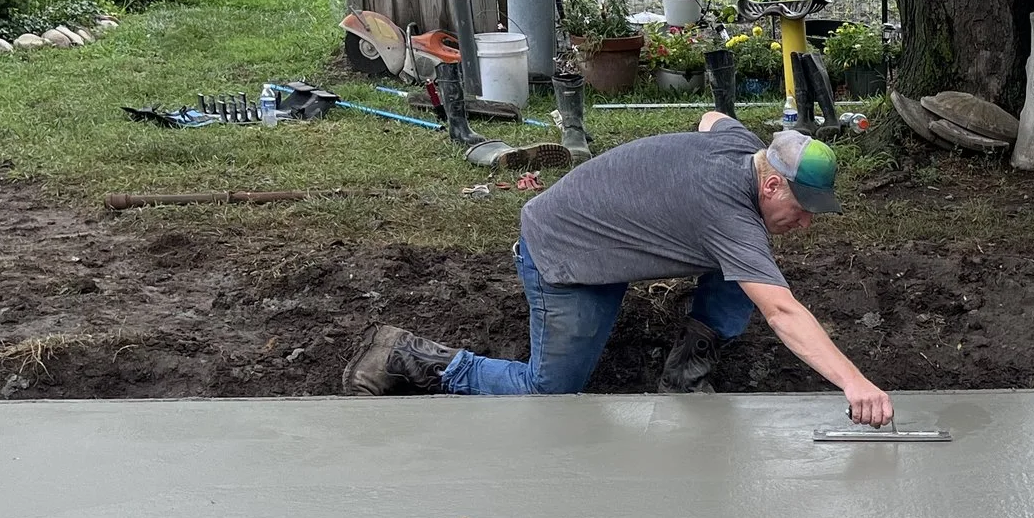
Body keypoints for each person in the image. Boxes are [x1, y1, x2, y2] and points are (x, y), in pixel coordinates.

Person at [342, 116, 892, 425]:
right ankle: (405, 355)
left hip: (602, 239)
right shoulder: (726, 210)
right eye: (800, 210)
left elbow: (711, 119)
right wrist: (855, 383)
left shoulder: (744, 147)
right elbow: (781, 310)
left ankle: (684, 378)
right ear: (771, 184)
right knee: (548, 394)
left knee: (746, 264)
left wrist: (657, 190)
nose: (805, 224)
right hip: (566, 256)